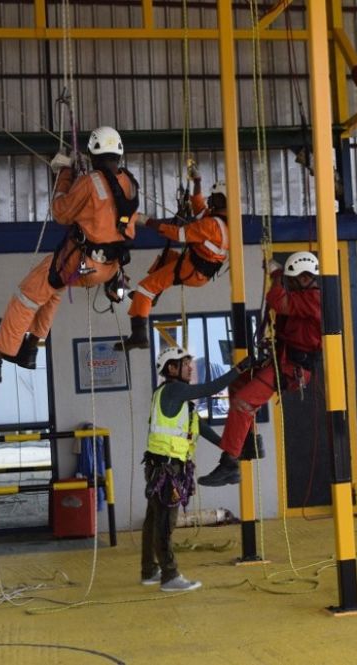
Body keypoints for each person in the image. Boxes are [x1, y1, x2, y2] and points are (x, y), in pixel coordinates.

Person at [0, 126, 139, 382]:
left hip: (79, 261)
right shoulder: (129, 183)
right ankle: (30, 349)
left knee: (27, 295)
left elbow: (61, 212)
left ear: (93, 153)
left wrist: (63, 174)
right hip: (108, 268)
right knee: (54, 290)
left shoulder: (90, 182)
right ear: (119, 153)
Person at [198, 251, 321, 487]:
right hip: (282, 360)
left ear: (305, 278)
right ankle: (250, 441)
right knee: (237, 384)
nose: (290, 285)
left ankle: (229, 463)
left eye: (292, 281)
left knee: (242, 402)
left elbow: (279, 302)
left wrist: (275, 275)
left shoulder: (313, 298)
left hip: (291, 367)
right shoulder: (306, 297)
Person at [141, 345, 252, 592]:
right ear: (171, 368)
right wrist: (239, 369)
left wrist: (232, 448)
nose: (191, 367)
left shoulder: (177, 399)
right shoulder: (173, 390)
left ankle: (149, 570)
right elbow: (210, 389)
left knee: (153, 521)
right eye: (185, 363)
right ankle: (169, 577)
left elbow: (201, 428)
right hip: (166, 471)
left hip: (160, 468)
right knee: (164, 524)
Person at [118, 175, 228, 351]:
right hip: (198, 266)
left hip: (193, 269)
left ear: (222, 199)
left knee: (146, 288)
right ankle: (149, 299)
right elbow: (199, 208)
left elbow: (179, 235)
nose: (210, 199)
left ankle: (139, 334)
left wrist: (147, 221)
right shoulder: (222, 222)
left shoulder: (211, 225)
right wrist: (197, 183)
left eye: (214, 196)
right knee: (166, 258)